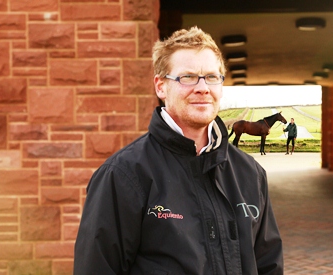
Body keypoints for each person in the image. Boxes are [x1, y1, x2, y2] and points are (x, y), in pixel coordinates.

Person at [74, 26, 283, 274]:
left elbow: (269, 265)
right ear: (161, 86)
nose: (203, 88)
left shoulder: (250, 174)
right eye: (188, 77)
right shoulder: (123, 175)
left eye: (212, 77)